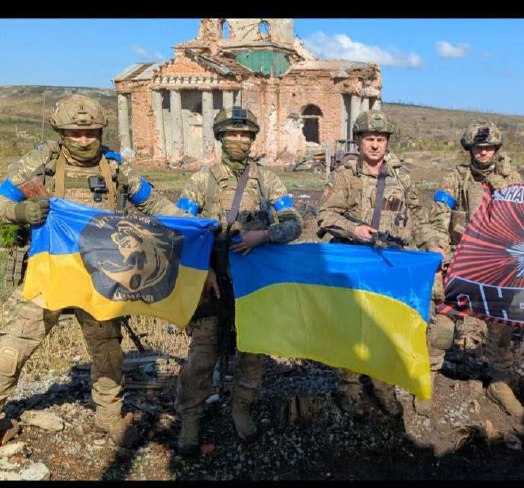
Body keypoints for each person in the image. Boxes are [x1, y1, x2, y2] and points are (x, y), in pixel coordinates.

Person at [0, 94, 184, 448]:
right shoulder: (41, 161)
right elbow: (2, 199)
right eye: (75, 133)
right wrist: (21, 214)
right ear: (61, 132)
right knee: (11, 349)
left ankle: (109, 418)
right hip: (49, 274)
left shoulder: (115, 167)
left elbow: (155, 203)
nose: (84, 139)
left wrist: (194, 225)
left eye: (91, 133)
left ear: (101, 131)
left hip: (100, 276)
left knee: (108, 354)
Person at [173, 106, 302, 456]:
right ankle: (191, 419)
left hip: (253, 285)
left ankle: (241, 409)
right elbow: (180, 231)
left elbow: (294, 223)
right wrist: (204, 273)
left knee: (251, 353)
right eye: (232, 133)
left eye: (245, 134)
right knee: (202, 357)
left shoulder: (267, 180)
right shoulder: (202, 180)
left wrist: (265, 235)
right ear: (219, 137)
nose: (239, 140)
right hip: (211, 283)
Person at [317, 109, 441, 419]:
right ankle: (349, 387)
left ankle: (382, 384)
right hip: (356, 262)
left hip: (390, 264)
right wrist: (353, 230)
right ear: (358, 141)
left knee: (386, 326)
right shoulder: (345, 175)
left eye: (381, 139)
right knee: (352, 327)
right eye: (370, 139)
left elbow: (418, 218)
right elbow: (325, 216)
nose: (375, 145)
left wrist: (431, 247)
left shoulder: (401, 176)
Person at [417, 121, 524, 423]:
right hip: (462, 261)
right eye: (479, 147)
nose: (484, 152)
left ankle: (500, 383)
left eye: (489, 147)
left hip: (497, 265)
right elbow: (438, 218)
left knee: (501, 329)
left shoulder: (512, 179)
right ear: (470, 149)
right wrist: (439, 248)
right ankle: (427, 378)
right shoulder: (455, 178)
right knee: (442, 324)